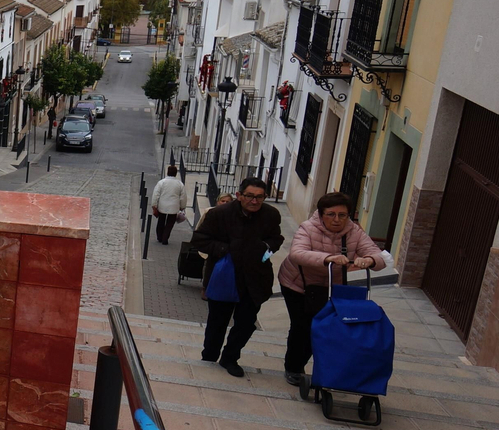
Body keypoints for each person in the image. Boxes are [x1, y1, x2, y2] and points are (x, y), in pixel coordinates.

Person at [278, 192, 385, 388]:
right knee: (302, 326)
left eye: (342, 215)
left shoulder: (355, 232)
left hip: (329, 288)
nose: (337, 220)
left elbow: (378, 256)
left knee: (322, 327)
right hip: (297, 285)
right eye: (331, 214)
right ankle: (293, 367)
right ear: (321, 214)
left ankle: (324, 368)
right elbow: (297, 253)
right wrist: (327, 258)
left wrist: (369, 260)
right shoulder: (308, 228)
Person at [191, 176, 284, 378]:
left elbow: (276, 239)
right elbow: (199, 240)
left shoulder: (270, 215)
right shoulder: (219, 214)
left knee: (245, 323)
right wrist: (226, 250)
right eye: (250, 196)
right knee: (217, 322)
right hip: (224, 275)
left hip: (254, 279)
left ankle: (230, 358)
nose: (254, 201)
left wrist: (264, 249)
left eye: (260, 197)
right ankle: (209, 356)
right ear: (239, 195)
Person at [150, 166, 188, 245]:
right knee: (169, 224)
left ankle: (159, 237)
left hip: (162, 206)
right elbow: (183, 197)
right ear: (176, 173)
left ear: (167, 172)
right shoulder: (180, 184)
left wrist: (154, 205)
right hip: (174, 207)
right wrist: (182, 206)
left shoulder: (162, 182)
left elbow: (156, 194)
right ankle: (165, 238)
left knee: (161, 221)